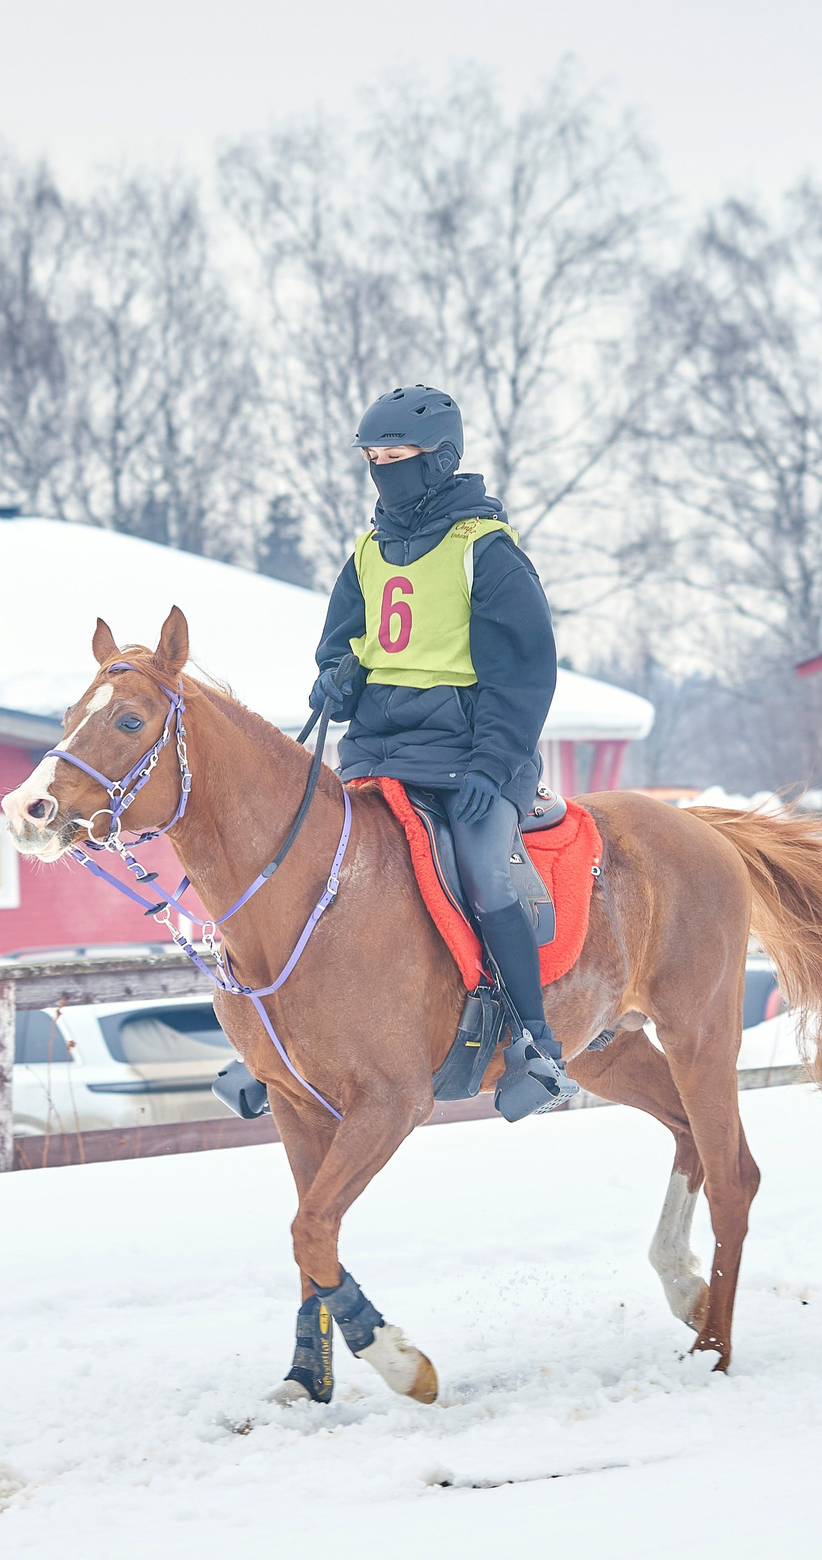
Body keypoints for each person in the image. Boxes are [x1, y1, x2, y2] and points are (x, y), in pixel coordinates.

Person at [308, 385, 574, 1110]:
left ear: (440, 460)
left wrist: (493, 763)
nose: (384, 471)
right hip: (380, 752)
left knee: (486, 871)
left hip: (475, 758)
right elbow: (344, 642)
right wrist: (336, 681)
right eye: (374, 460)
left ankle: (533, 1040)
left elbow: (523, 673)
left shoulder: (484, 551)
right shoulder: (367, 551)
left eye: (398, 458)